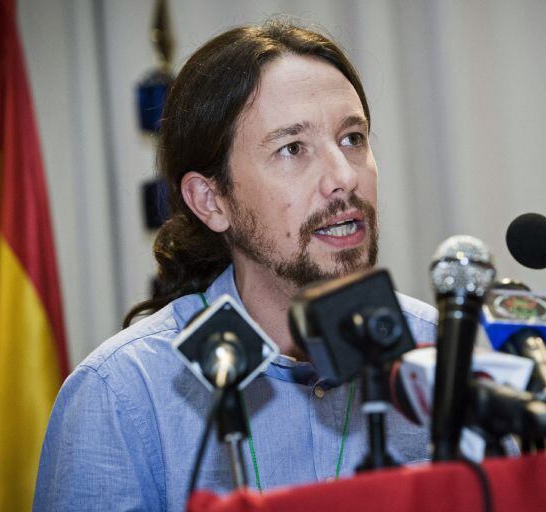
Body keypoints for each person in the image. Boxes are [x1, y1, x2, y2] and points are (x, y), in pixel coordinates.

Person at [34, 20, 437, 511]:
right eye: (292, 148)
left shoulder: (439, 352)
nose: (343, 176)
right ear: (211, 200)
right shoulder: (121, 395)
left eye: (352, 139)